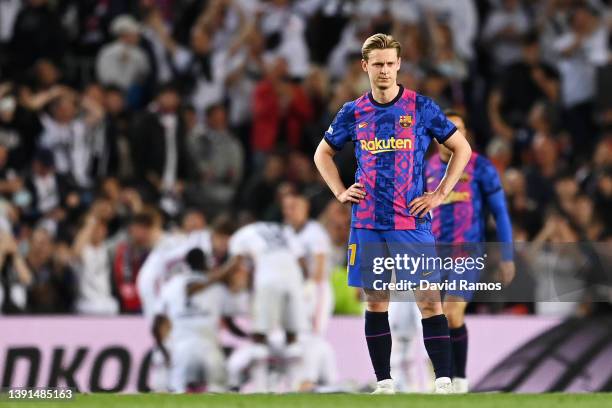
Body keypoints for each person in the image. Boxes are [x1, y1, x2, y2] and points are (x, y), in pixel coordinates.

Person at [313, 33, 472, 394]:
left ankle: (443, 381)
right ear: (364, 66)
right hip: (367, 222)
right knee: (375, 299)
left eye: (390, 64)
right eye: (377, 64)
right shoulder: (353, 111)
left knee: (429, 299)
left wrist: (439, 193)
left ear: (399, 65)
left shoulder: (421, 107)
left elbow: (461, 148)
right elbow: (322, 153)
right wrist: (339, 191)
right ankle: (384, 383)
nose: (384, 71)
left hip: (410, 221)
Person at [425, 111, 515, 393]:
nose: (453, 136)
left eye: (459, 130)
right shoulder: (422, 170)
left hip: (467, 253)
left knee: (451, 312)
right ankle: (444, 380)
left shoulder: (481, 167)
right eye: (447, 130)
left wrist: (507, 256)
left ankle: (459, 381)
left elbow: (500, 213)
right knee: (434, 318)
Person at [228, 221, 306, 392]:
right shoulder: (284, 229)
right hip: (293, 275)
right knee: (292, 337)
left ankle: (260, 389)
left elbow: (237, 265)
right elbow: (302, 261)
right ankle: (295, 389)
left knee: (259, 337)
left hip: (267, 276)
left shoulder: (239, 235)